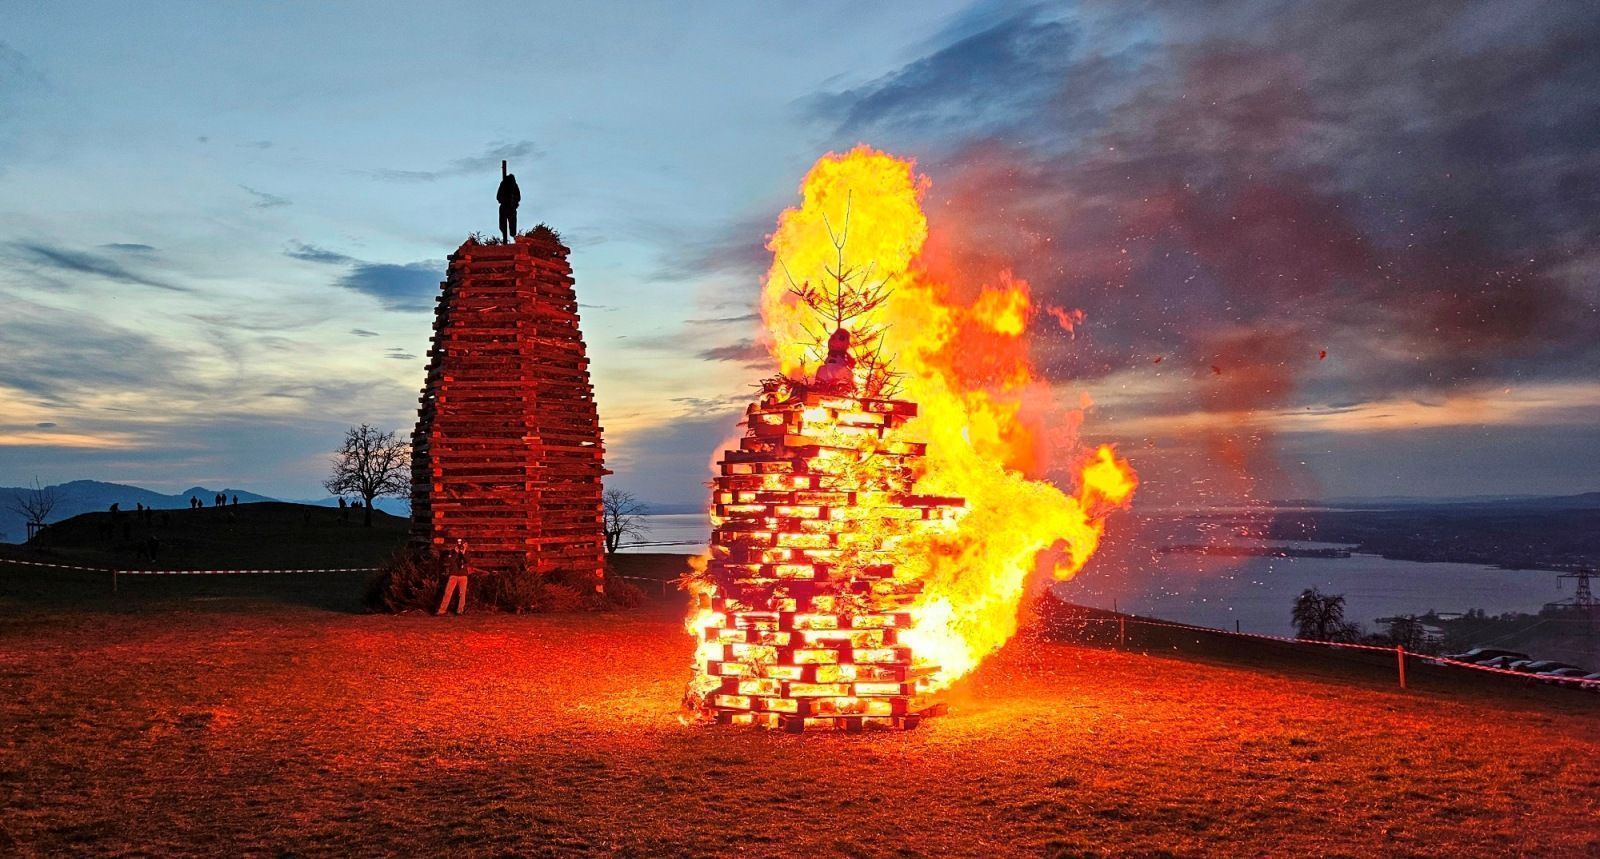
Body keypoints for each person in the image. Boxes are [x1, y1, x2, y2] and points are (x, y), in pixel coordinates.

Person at [497, 171, 521, 242]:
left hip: (510, 207)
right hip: (506, 207)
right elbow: (498, 197)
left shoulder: (513, 186)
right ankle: (507, 238)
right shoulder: (504, 185)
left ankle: (512, 238)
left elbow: (518, 197)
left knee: (509, 225)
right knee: (504, 226)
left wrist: (513, 202)